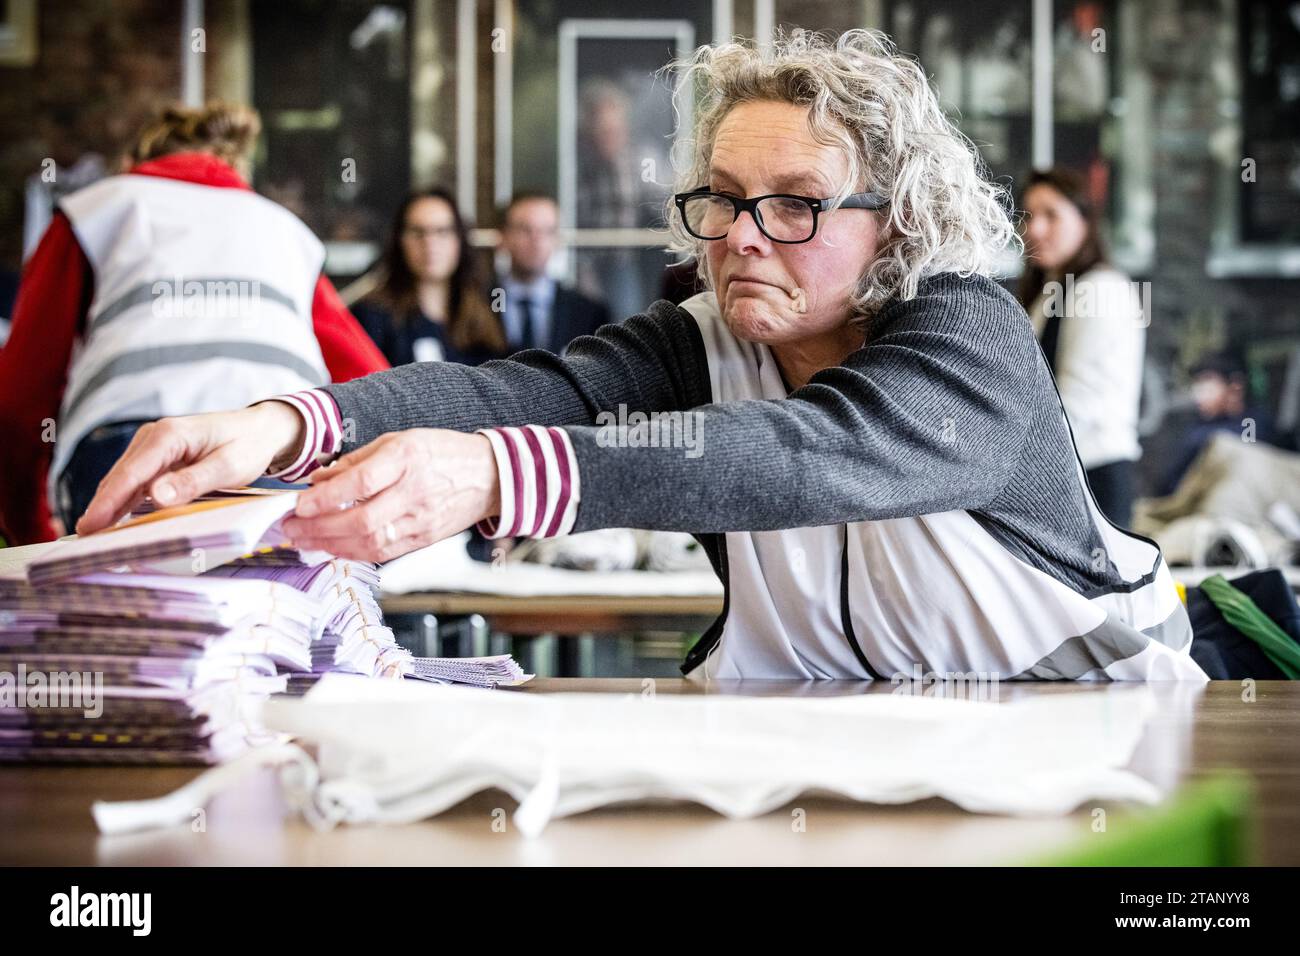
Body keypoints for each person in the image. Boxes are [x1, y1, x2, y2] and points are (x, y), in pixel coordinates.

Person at [78, 31, 1204, 682]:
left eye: (796, 204)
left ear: (897, 223)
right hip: (850, 748)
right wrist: (285, 423)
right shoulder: (706, 339)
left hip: (1106, 728)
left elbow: (811, 451)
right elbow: (517, 388)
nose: (741, 234)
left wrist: (491, 478)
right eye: (721, 199)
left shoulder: (969, 334)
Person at [0, 102, 387, 544]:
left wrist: (28, 533)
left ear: (134, 162)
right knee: (269, 608)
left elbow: (19, 397)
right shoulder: (284, 230)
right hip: (266, 448)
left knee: (118, 608)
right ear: (235, 166)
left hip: (124, 451)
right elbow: (369, 381)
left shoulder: (96, 209)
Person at [1019, 167, 1146, 527]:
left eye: (1051, 215)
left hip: (1094, 475)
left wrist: (1012, 455)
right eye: (1029, 217)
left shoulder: (1099, 288)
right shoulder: (1052, 289)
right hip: (1068, 473)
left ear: (1085, 221)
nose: (1035, 229)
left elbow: (1080, 400)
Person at [353, 188, 506, 367]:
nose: (430, 244)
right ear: (399, 241)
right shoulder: (372, 315)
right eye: (418, 232)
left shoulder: (488, 307)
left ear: (460, 240)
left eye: (442, 231)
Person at [494, 191, 610, 354]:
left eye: (547, 231)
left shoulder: (588, 313)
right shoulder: (474, 305)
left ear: (557, 239)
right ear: (503, 236)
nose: (536, 241)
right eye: (524, 229)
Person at [1157, 349, 1278, 496]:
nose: (1199, 394)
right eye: (1197, 385)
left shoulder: (1252, 422)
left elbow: (1247, 454)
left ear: (1235, 387)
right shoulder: (1198, 426)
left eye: (1208, 384)